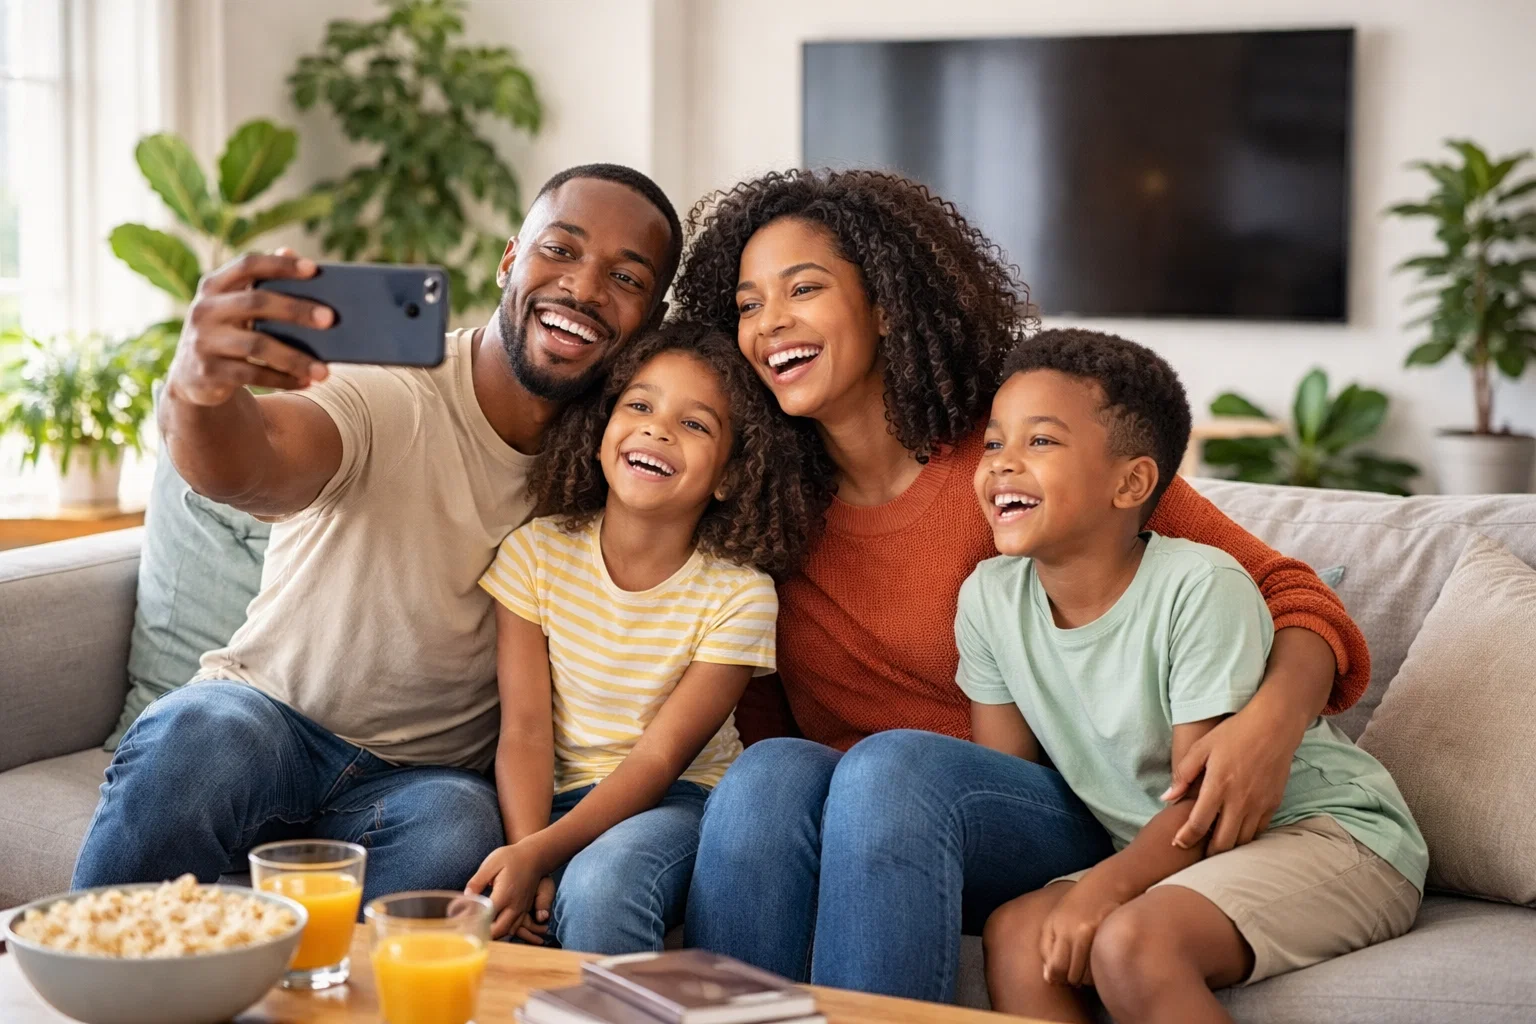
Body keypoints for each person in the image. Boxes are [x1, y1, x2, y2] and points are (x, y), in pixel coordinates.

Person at [674, 169, 1375, 1002]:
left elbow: (1291, 592)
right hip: (872, 824)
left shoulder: (1021, 462)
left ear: (888, 304)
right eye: (749, 304)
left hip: (1055, 804)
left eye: (804, 289)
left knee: (889, 771)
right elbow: (754, 701)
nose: (771, 323)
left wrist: (1267, 726)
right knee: (766, 778)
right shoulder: (762, 499)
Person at [72, 164, 683, 904]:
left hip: (422, 784)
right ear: (508, 260)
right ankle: (87, 980)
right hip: (270, 721)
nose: (584, 289)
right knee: (197, 740)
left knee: (461, 829)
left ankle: (293, 996)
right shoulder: (393, 390)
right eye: (560, 250)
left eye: (626, 277)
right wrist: (200, 386)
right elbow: (248, 464)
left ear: (648, 322)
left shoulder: (624, 464)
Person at [966, 329, 1424, 1023]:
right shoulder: (988, 598)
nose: (1003, 465)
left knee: (1131, 942)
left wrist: (1104, 890)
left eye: (1041, 442)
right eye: (996, 442)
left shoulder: (1199, 585)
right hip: (1188, 848)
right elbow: (1003, 780)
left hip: (1328, 834)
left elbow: (1209, 803)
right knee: (1016, 935)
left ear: (1132, 482)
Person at [465, 322, 825, 953]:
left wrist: (545, 850)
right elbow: (523, 729)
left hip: (679, 802)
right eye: (639, 405)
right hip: (550, 795)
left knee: (604, 887)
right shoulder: (535, 554)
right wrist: (530, 854)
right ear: (602, 436)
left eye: (696, 424)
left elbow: (659, 761)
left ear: (728, 478)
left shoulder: (739, 595)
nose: (658, 428)